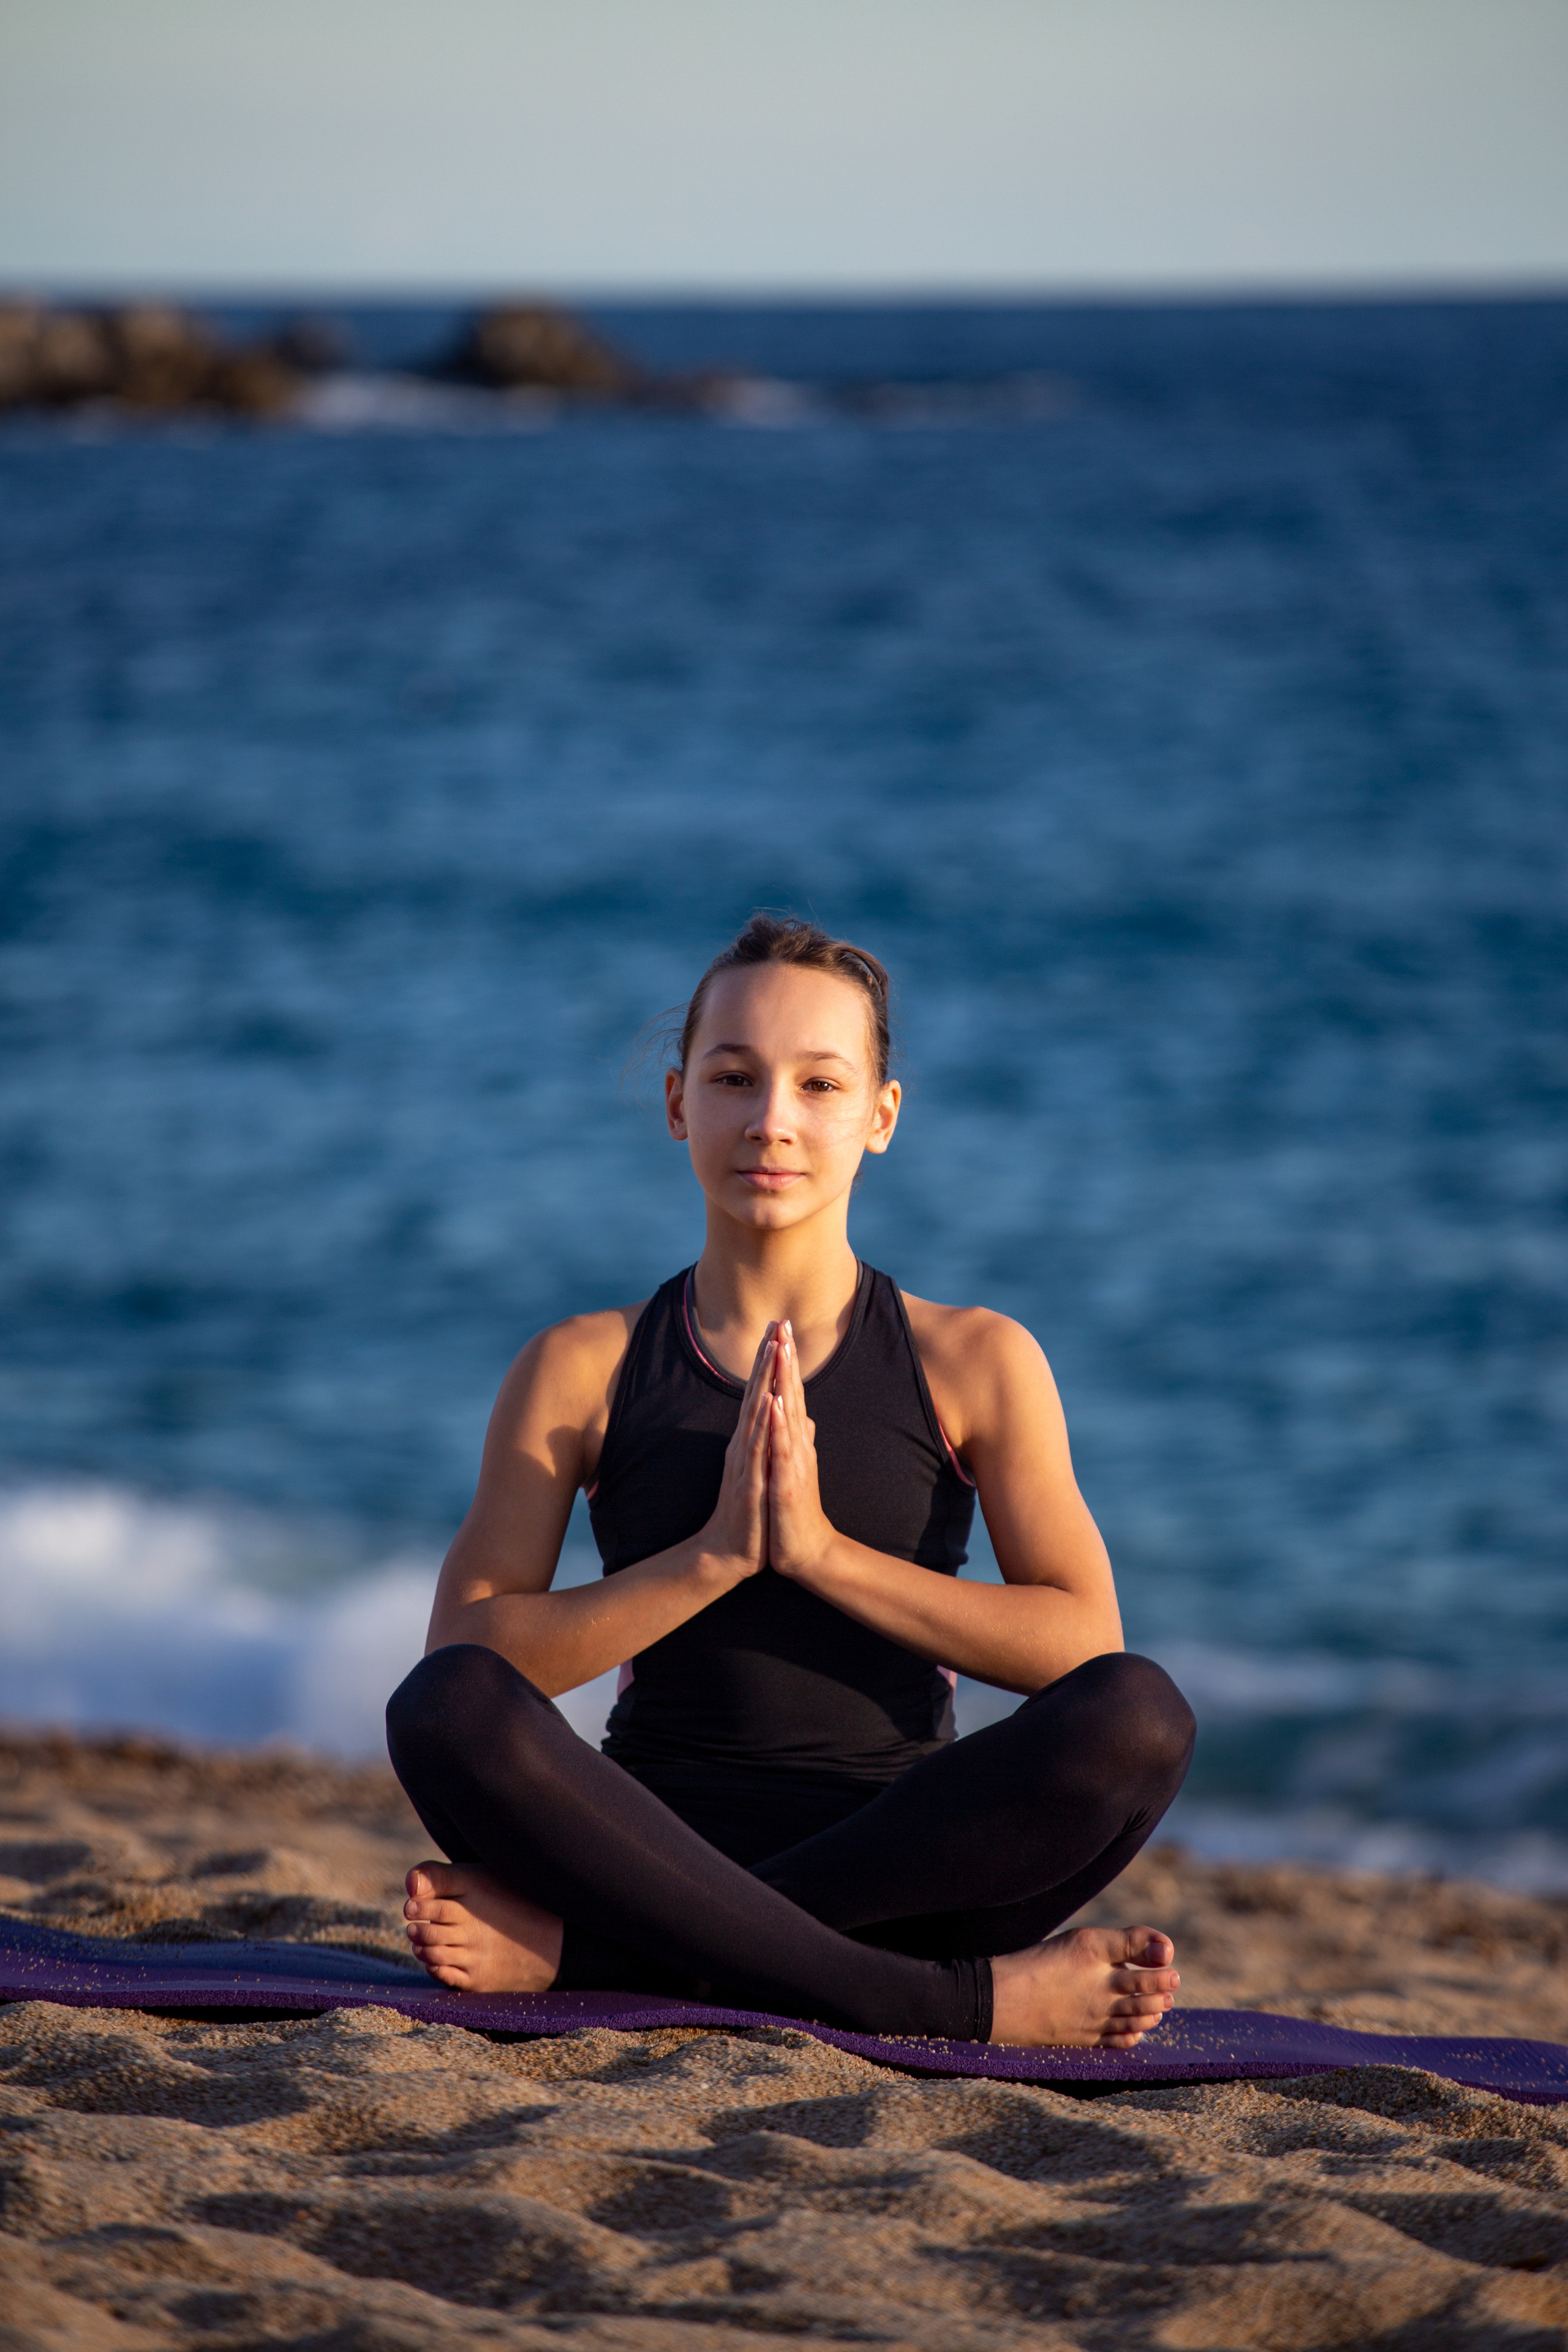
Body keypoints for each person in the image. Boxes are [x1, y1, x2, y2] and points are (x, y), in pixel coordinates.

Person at [386, 916, 1194, 2048]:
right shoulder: (581, 1366)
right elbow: (465, 1654)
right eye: (734, 1078)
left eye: (820, 1084)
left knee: (1140, 1718)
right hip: (638, 1844)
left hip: (906, 1857)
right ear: (679, 1104)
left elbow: (1082, 1646)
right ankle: (944, 2003)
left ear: (881, 1116)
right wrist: (711, 1559)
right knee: (444, 1708)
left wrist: (822, 1555)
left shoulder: (975, 1360)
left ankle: (609, 1964)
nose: (771, 1120)